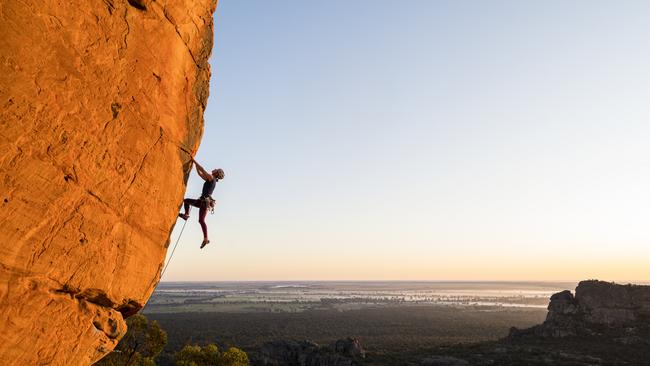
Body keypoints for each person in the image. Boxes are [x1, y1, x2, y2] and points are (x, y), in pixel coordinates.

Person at [178, 158, 224, 248]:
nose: (214, 169)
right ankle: (186, 215)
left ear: (216, 173)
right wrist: (194, 165)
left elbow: (202, 170)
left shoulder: (211, 177)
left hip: (204, 203)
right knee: (186, 201)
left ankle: (206, 238)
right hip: (201, 201)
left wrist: (193, 160)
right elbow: (200, 174)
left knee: (201, 220)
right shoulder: (210, 179)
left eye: (216, 169)